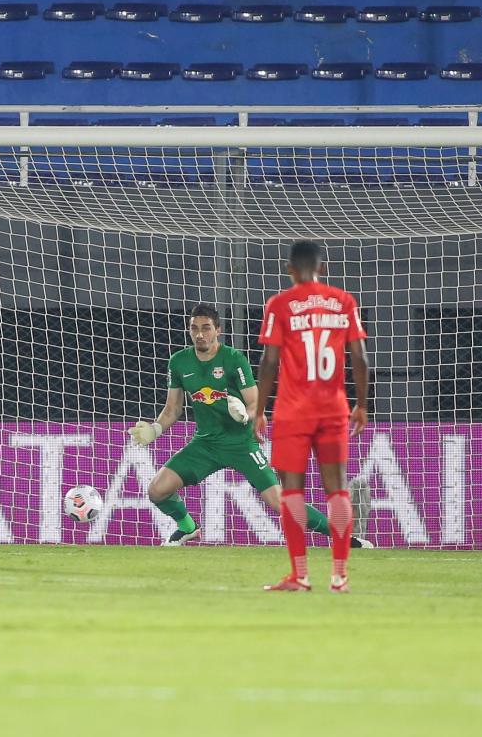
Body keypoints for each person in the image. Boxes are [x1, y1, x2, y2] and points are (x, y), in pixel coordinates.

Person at [129, 304, 372, 548]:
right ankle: (187, 528)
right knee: (157, 490)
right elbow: (173, 409)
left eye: (206, 328)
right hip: (205, 444)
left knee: (280, 502)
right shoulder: (179, 362)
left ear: (217, 331)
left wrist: (245, 415)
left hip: (241, 444)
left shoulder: (233, 359)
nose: (199, 334)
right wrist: (155, 429)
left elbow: (256, 401)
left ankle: (342, 536)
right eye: (194, 329)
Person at [256, 241, 370, 593]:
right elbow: (360, 358)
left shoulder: (280, 304)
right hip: (334, 408)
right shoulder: (343, 301)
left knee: (292, 492)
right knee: (337, 489)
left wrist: (258, 409)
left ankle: (300, 575)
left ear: (290, 268)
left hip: (293, 411)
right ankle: (339, 575)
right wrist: (362, 404)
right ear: (322, 268)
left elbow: (270, 362)